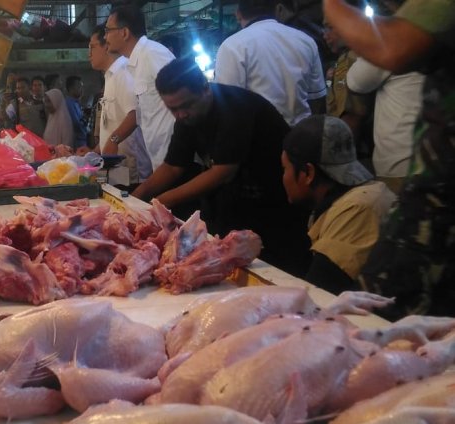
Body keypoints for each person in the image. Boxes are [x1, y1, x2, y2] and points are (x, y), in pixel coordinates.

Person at [324, 0, 455, 319]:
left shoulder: (404, 29)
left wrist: (332, 5)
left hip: (430, 184)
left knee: (374, 316)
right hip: (423, 172)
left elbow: (388, 51)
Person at [132, 57, 311, 276]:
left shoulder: (234, 107)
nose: (180, 114)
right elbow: (173, 166)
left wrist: (160, 204)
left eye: (186, 105)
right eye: (173, 109)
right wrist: (135, 197)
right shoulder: (187, 116)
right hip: (236, 200)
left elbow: (223, 172)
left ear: (205, 89)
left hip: (275, 202)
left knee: (275, 275)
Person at [281, 115, 396, 294]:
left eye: (285, 169)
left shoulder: (357, 209)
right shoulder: (355, 196)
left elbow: (319, 295)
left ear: (308, 173)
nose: (284, 178)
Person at [344, 0, 425, 194]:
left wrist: (366, 43)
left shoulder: (398, 37)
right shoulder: (439, 31)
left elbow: (356, 81)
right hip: (434, 156)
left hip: (401, 163)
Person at [215, 0, 327, 125]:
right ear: (278, 10)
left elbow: (227, 105)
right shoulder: (306, 41)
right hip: (301, 136)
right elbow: (317, 98)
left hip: (259, 139)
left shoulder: (232, 46)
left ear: (238, 14)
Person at [104, 4, 176, 172]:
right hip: (160, 162)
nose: (105, 37)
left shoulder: (152, 55)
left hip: (174, 161)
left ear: (124, 32)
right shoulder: (135, 63)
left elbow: (182, 103)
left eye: (108, 30)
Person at [87, 24, 152, 183]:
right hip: (114, 166)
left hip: (128, 171)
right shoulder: (110, 76)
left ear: (106, 46)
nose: (89, 54)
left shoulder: (123, 73)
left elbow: (135, 113)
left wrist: (113, 140)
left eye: (92, 47)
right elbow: (112, 121)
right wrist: (95, 151)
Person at [322, 10, 374, 158]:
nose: (325, 35)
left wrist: (340, 160)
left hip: (354, 152)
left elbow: (350, 118)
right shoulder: (348, 57)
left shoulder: (351, 59)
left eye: (330, 28)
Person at [65, 76, 88, 150]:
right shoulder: (69, 103)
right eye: (79, 87)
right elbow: (76, 123)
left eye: (82, 87)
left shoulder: (76, 102)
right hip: (77, 141)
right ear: (71, 89)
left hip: (82, 139)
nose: (82, 89)